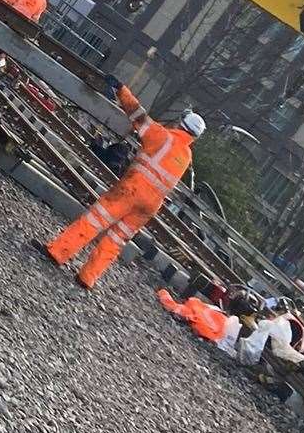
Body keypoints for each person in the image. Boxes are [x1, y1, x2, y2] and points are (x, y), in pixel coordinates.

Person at [43, 83, 205, 290]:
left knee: (94, 220)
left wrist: (121, 89)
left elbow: (137, 114)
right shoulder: (186, 156)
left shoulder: (164, 136)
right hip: (150, 206)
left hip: (132, 190)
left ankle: (57, 252)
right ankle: (87, 278)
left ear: (181, 124)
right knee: (117, 239)